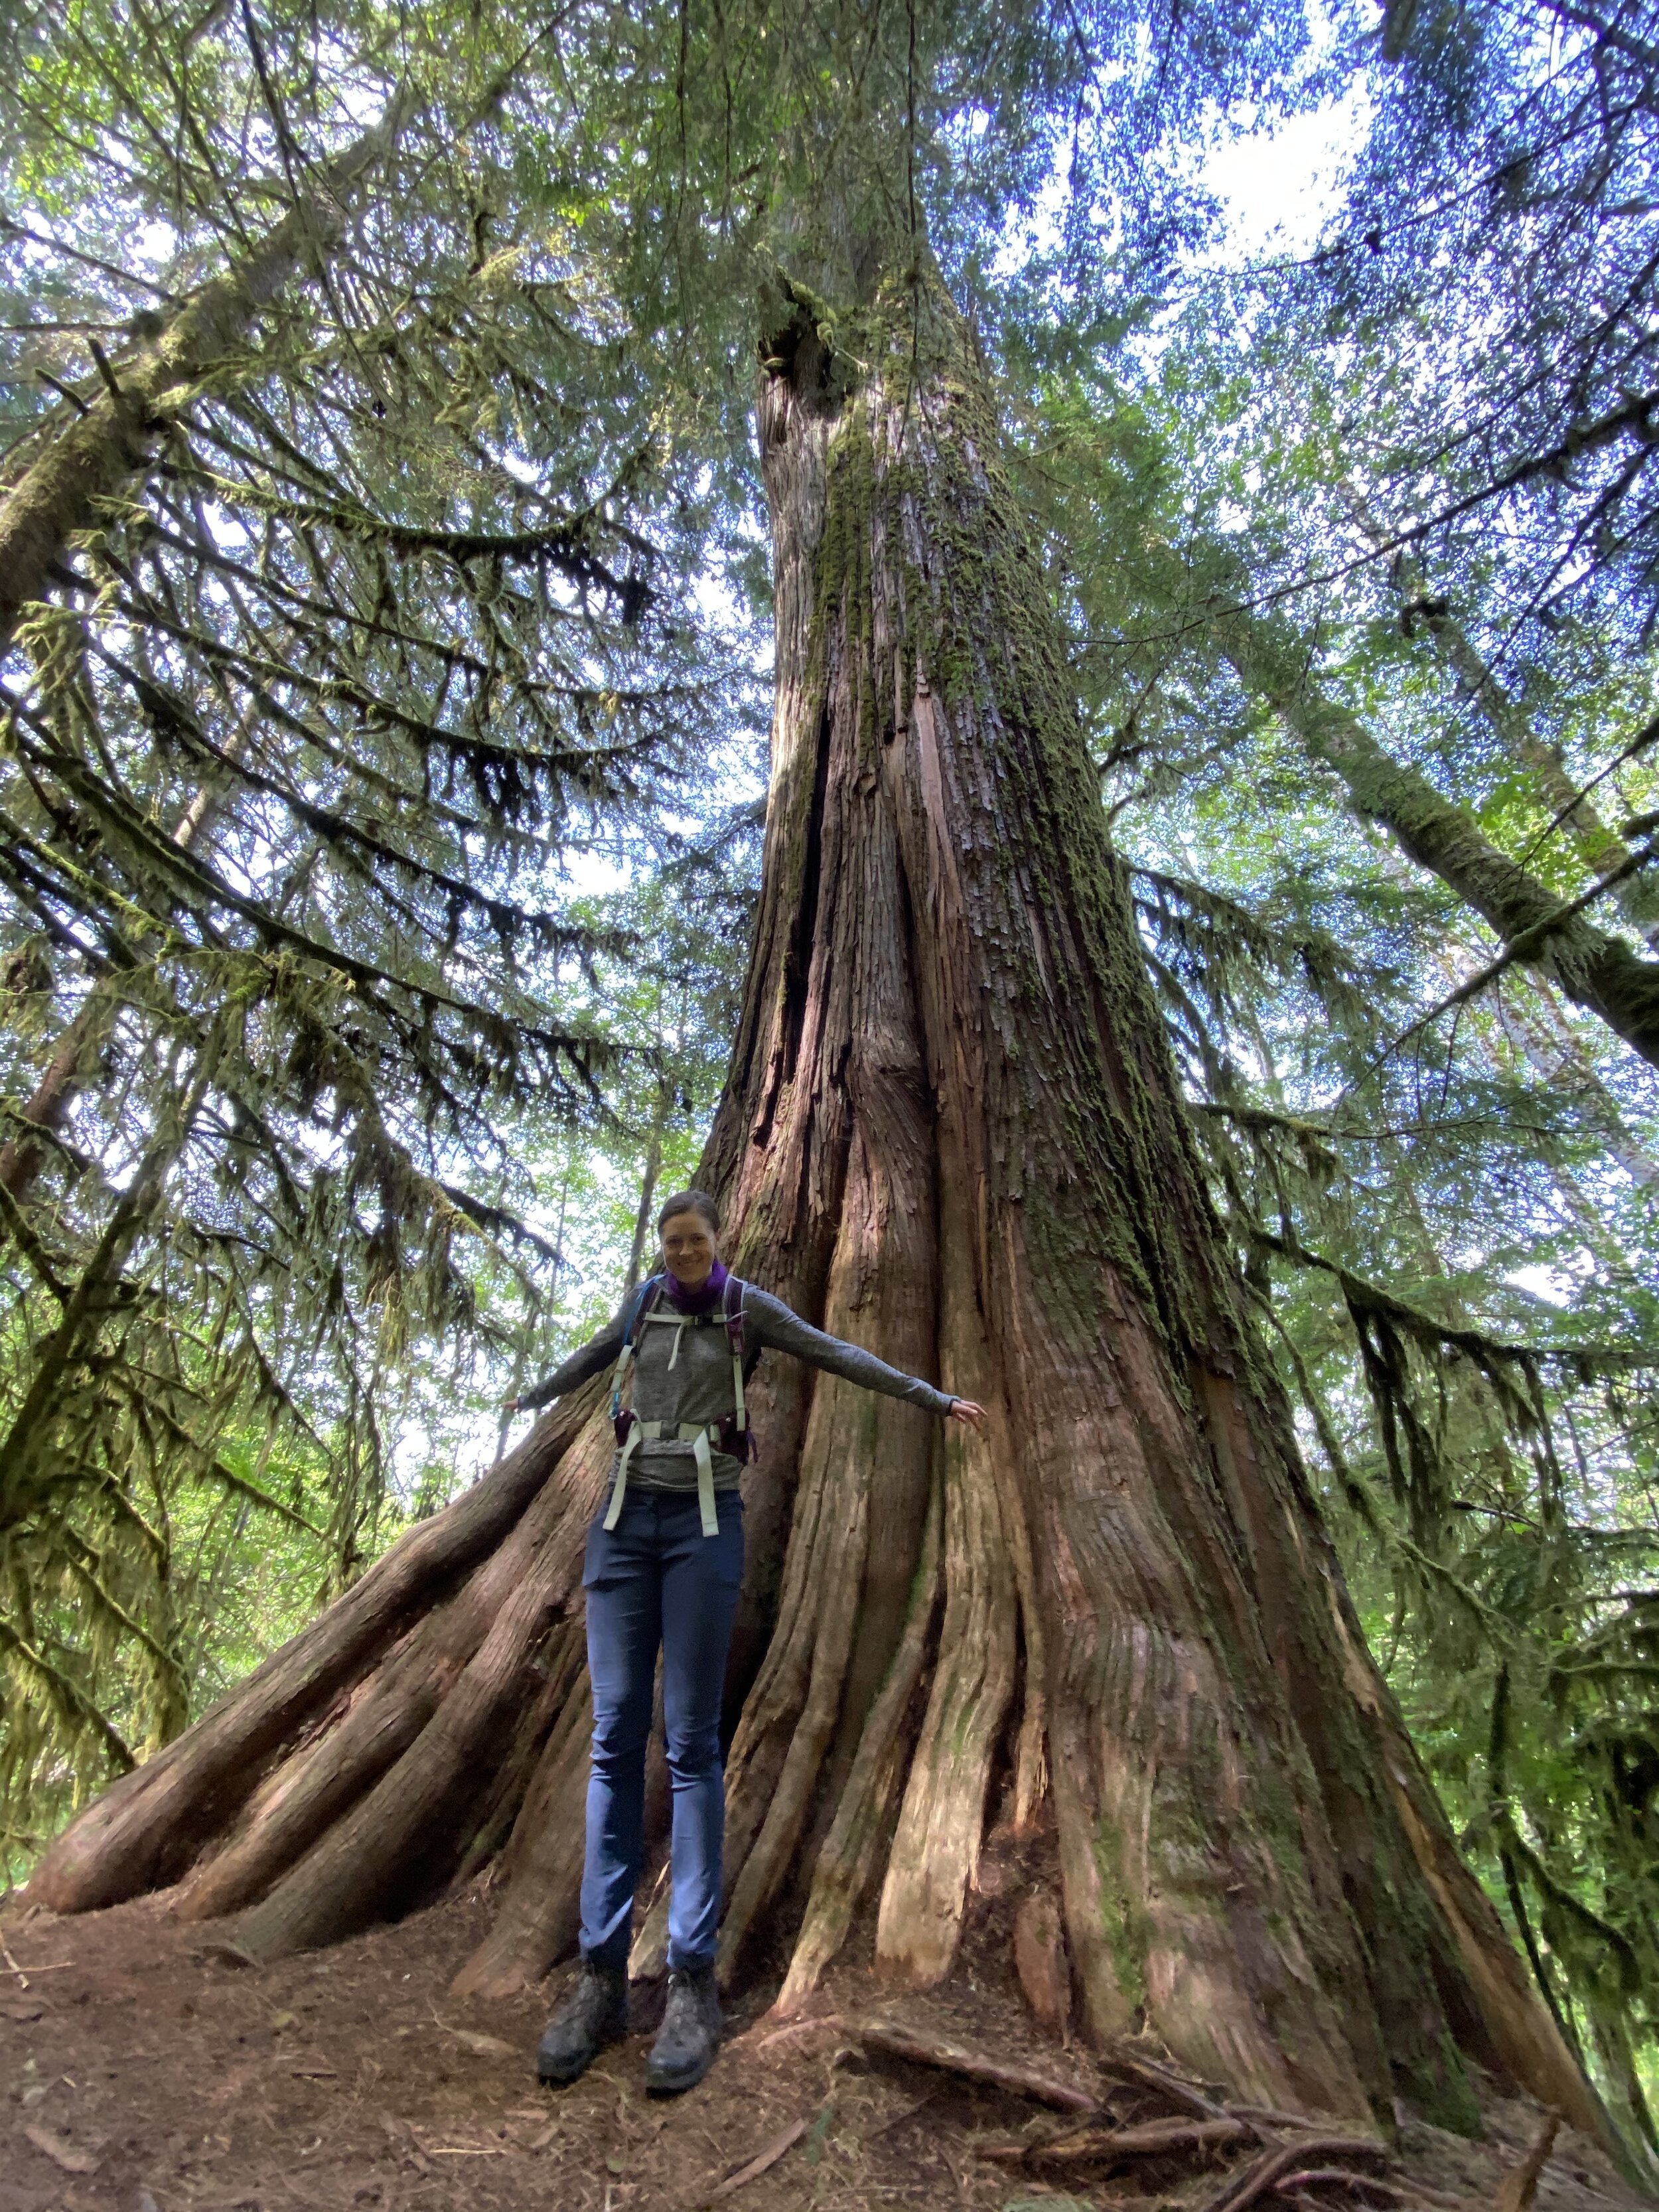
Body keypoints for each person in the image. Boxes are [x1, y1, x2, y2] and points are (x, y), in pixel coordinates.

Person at [504, 1188, 985, 2096]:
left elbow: (835, 1350)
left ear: (715, 1243)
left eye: (695, 1241)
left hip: (704, 1522)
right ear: (661, 1248)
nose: (683, 1253)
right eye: (672, 1243)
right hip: (619, 1522)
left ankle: (691, 1983)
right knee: (614, 1740)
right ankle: (597, 1980)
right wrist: (532, 1392)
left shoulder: (744, 1305)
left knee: (690, 1742)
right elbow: (594, 1357)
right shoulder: (645, 1301)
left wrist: (933, 1397)